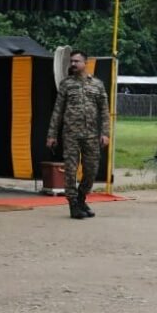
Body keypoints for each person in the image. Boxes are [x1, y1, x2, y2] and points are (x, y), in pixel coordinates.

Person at [46, 49, 110, 220]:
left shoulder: (97, 84)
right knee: (70, 171)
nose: (73, 64)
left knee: (91, 170)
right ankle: (73, 205)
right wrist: (51, 134)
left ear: (85, 63)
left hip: (91, 135)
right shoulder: (66, 84)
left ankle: (81, 199)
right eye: (72, 61)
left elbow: (104, 111)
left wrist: (105, 132)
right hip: (71, 135)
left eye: (76, 61)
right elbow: (57, 111)